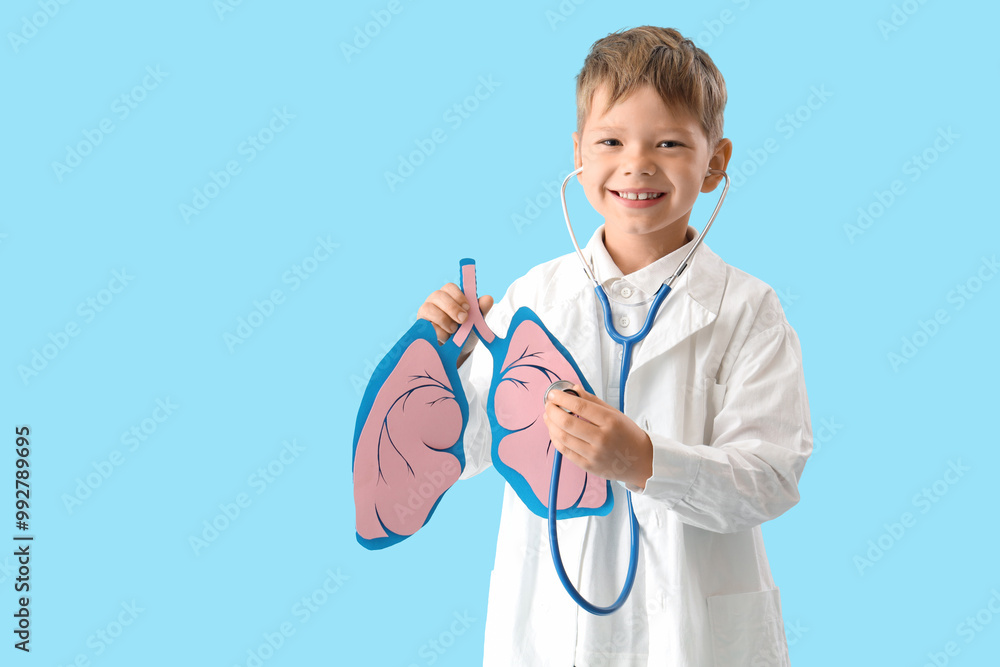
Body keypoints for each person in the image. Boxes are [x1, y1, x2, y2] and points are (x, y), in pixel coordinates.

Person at [417, 25, 812, 666]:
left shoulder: (748, 310)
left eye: (669, 143)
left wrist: (645, 462)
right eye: (610, 141)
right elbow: (462, 452)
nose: (638, 164)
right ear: (578, 153)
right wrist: (441, 361)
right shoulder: (533, 299)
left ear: (715, 162)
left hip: (694, 633)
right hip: (553, 627)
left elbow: (770, 480)